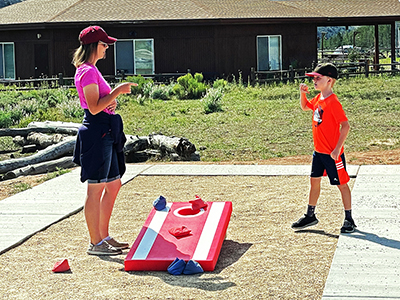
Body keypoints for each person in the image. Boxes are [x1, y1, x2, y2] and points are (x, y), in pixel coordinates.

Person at [72, 25, 137, 255]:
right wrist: (117, 91)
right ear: (94, 46)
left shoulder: (91, 69)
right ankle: (95, 242)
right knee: (96, 188)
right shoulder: (87, 71)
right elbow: (93, 107)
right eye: (104, 44)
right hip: (96, 132)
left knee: (113, 183)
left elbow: (101, 103)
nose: (107, 48)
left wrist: (110, 101)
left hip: (105, 130)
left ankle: (104, 236)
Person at [291, 63, 356, 233]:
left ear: (329, 80)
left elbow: (346, 126)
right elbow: (305, 107)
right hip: (318, 152)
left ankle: (349, 219)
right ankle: (310, 215)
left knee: (341, 184)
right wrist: (302, 94)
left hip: (332, 154)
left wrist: (337, 149)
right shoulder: (319, 98)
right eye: (313, 77)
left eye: (318, 78)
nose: (314, 80)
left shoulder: (333, 102)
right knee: (314, 182)